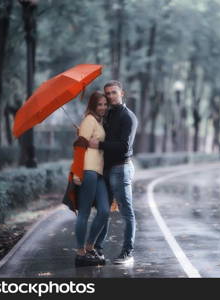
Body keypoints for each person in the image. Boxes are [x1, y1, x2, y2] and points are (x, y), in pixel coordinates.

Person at [89, 80, 138, 264]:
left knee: (127, 212)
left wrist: (99, 144)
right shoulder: (108, 114)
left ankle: (127, 252)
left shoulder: (128, 117)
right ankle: (97, 249)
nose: (110, 96)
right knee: (103, 211)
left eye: (113, 93)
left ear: (122, 93)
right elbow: (103, 136)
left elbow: (124, 147)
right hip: (107, 169)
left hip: (121, 169)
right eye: (107, 93)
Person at [73, 91, 109, 267]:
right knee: (85, 212)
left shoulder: (97, 121)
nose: (102, 107)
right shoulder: (89, 120)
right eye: (99, 104)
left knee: (104, 210)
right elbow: (80, 147)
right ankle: (80, 252)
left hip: (99, 172)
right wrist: (77, 172)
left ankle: (89, 246)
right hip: (88, 170)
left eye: (104, 104)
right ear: (93, 105)